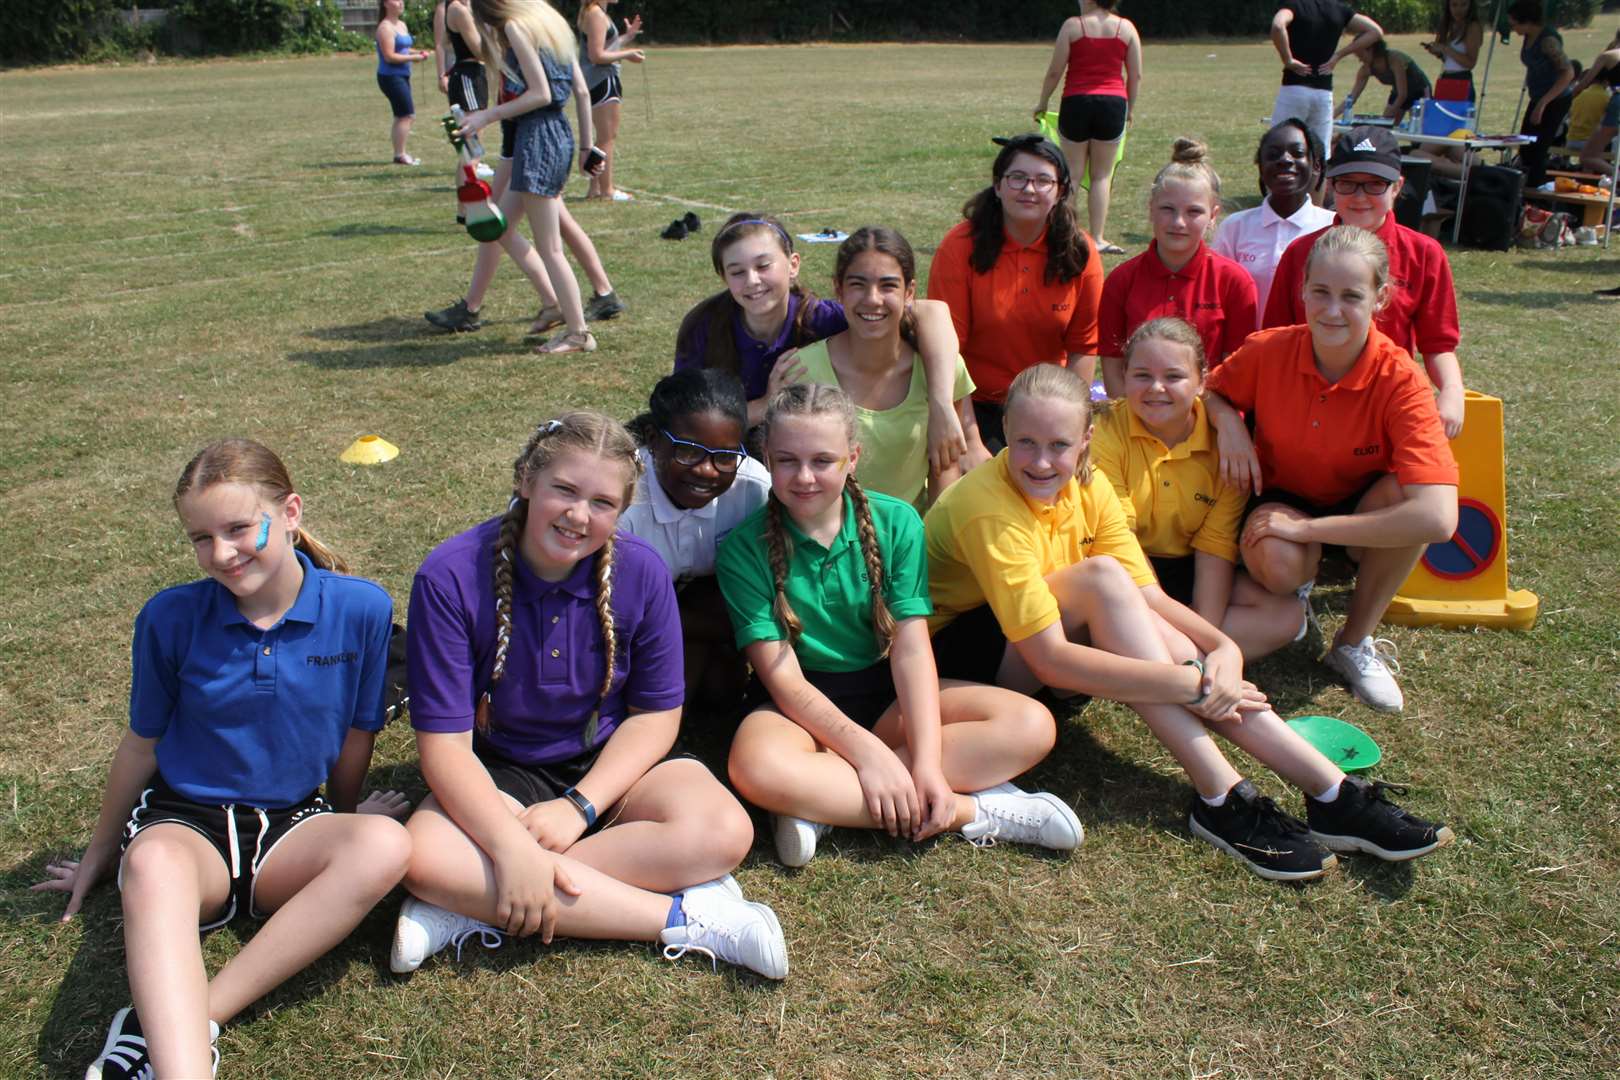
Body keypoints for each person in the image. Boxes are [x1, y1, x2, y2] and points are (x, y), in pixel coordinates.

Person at [923, 362, 1453, 881]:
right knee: (1104, 582)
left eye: (1059, 445)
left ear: (1085, 439)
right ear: (1004, 435)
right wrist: (1192, 683)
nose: (1041, 461)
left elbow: (1147, 593)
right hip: (973, 674)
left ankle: (1330, 790)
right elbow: (1050, 660)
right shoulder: (988, 507)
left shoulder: (1090, 484)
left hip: (1037, 649)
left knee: (1140, 611)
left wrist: (1221, 651)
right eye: (1025, 444)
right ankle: (1221, 794)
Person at [34, 439, 412, 1080]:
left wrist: (343, 819)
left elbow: (357, 734)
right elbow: (141, 743)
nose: (221, 554)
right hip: (188, 829)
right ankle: (183, 1066)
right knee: (151, 862)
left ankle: (183, 1020)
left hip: (293, 826)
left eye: (238, 528)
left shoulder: (362, 607)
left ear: (291, 512)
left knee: (385, 846)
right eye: (201, 539)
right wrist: (102, 850)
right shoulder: (170, 617)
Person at [391, 411, 788, 980]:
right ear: (526, 481)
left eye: (602, 502)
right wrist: (511, 845)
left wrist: (578, 808)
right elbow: (446, 749)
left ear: (623, 509)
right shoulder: (449, 576)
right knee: (423, 855)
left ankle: (476, 901)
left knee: (725, 829)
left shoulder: (642, 572)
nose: (579, 516)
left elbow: (655, 716)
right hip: (501, 774)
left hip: (609, 766)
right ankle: (688, 916)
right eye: (564, 491)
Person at [717, 384, 1081, 868]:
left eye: (822, 461)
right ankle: (970, 810)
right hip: (796, 712)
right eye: (786, 461)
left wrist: (926, 761)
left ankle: (821, 804)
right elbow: (782, 679)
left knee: (1031, 724)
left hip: (888, 694)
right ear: (766, 457)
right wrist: (869, 755)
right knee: (754, 765)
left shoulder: (898, 522)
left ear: (853, 457)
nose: (804, 477)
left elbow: (911, 651)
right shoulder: (743, 548)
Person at [1208, 226, 1460, 714]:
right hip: (1282, 494)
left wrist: (1313, 530)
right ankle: (1297, 587)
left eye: (1351, 295)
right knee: (1280, 564)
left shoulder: (1402, 378)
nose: (1331, 310)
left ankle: (1352, 640)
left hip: (1358, 507)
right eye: (1320, 292)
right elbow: (1212, 389)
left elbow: (1439, 519)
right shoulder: (1269, 349)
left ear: (1380, 297)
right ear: (1302, 289)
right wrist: (1228, 421)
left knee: (1410, 503)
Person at [673, 213, 970, 477]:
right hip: (722, 465)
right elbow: (681, 421)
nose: (753, 280)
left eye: (763, 265)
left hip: (800, 469)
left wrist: (942, 404)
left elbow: (933, 313)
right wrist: (762, 407)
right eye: (737, 271)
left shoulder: (823, 318)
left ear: (793, 265)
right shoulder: (704, 327)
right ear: (723, 276)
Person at [1092, 318, 1305, 662]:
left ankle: (1164, 654)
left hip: (1187, 567)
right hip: (1124, 570)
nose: (1156, 389)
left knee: (1286, 615)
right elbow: (1121, 541)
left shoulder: (1229, 446)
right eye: (1142, 375)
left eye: (1173, 376)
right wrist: (1184, 626)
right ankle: (1168, 654)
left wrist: (1203, 630)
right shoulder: (1104, 430)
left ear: (1202, 381)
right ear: (1123, 375)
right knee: (1108, 599)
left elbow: (1214, 550)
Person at [1265, 126, 1467, 438]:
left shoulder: (1425, 254)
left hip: (1387, 404)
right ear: (1331, 186)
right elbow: (1275, 340)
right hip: (1311, 406)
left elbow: (1438, 343)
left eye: (1375, 185)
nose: (1360, 197)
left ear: (1397, 187)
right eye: (1348, 184)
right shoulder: (1301, 253)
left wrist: (1452, 391)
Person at [927, 134, 1103, 451]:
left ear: (1061, 190)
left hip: (1044, 406)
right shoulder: (961, 246)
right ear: (998, 186)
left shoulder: (1080, 251)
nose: (1029, 189)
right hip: (974, 405)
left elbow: (1083, 347)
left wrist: (1072, 423)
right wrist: (971, 440)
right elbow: (947, 351)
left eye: (1043, 180)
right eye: (1017, 178)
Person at [793, 226, 988, 507]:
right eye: (858, 284)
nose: (872, 299)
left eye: (888, 286)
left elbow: (944, 471)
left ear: (909, 292)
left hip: (910, 538)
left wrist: (931, 546)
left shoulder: (940, 371)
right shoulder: (803, 371)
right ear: (838, 289)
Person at [454, 0, 604, 354]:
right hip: (551, 135)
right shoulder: (549, 23)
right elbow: (580, 91)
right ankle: (554, 306)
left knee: (551, 247)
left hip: (538, 138)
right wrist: (586, 147)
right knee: (500, 227)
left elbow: (542, 93)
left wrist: (486, 116)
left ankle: (579, 333)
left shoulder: (514, 28)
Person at [621, 369, 771, 711]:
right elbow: (617, 610)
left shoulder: (754, 489)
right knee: (672, 700)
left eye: (725, 456)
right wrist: (716, 628)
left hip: (704, 606)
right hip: (634, 619)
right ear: (652, 438)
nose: (707, 470)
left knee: (721, 694)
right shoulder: (621, 496)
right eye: (688, 451)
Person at [1097, 139, 1258, 398]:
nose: (1178, 222)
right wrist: (1131, 420)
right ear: (1151, 209)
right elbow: (1113, 365)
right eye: (1167, 209)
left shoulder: (1234, 281)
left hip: (1208, 418)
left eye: (1193, 211)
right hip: (1137, 417)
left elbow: (1236, 369)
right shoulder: (1121, 280)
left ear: (1213, 215)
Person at [1033, 0, 1142, 255]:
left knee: (1071, 172)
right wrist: (1131, 109)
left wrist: (1042, 102)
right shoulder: (1126, 29)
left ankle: (1066, 233)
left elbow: (1054, 71)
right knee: (1102, 175)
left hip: (1076, 102)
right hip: (1114, 104)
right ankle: (1098, 238)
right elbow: (1135, 75)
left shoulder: (1072, 26)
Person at [1212, 118, 1335, 313]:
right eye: (1273, 154)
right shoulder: (1234, 227)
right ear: (1260, 167)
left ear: (1316, 166)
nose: (1285, 160)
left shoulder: (1333, 227)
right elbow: (1217, 295)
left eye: (1298, 153)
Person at [1267, 1, 1382, 163]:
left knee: (1279, 149)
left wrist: (1288, 59)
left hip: (1294, 89)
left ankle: (1278, 189)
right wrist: (1339, 55)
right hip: (1323, 94)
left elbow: (1278, 26)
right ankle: (1317, 188)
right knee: (1320, 157)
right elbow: (1375, 31)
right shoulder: (1339, 9)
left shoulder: (1295, 5)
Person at [577, 0, 644, 201]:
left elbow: (605, 47)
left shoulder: (594, 12)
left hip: (600, 80)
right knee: (607, 137)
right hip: (602, 80)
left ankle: (595, 188)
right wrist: (628, 54)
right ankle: (607, 190)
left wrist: (627, 37)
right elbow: (596, 55)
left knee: (603, 138)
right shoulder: (596, 14)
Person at [1506, 0, 1574, 191]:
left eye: (1514, 24)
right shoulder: (1529, 37)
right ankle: (1526, 189)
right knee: (1526, 147)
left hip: (1554, 100)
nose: (1513, 29)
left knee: (1538, 149)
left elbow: (1567, 73)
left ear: (1527, 21)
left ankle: (1538, 193)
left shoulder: (1548, 41)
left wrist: (1544, 102)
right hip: (1537, 97)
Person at [377, 0, 434, 166]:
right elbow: (390, 56)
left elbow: (402, 48)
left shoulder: (401, 25)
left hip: (402, 75)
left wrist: (418, 52)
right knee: (407, 115)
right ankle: (400, 155)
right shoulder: (385, 28)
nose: (401, 3)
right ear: (385, 4)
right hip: (390, 77)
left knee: (401, 115)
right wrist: (414, 58)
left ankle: (398, 153)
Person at [1341, 39, 1432, 128]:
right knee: (1384, 128)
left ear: (1371, 50)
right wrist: (1332, 116)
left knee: (1418, 130)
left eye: (1360, 55)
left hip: (1419, 90)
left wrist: (1387, 117)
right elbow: (1351, 98)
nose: (1360, 60)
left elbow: (1402, 94)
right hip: (1398, 92)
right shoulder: (1365, 70)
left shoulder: (1394, 59)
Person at [1568, 38, 1620, 177]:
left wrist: (1567, 99)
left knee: (1588, 157)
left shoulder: (1608, 56)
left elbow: (1584, 83)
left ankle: (1617, 177)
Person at [1422, 0, 1485, 102]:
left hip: (1462, 81)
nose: (1458, 10)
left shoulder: (1473, 27)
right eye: (1454, 5)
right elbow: (1449, 59)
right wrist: (1437, 51)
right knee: (1441, 116)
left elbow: (1470, 63)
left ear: (1470, 5)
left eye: (1463, 4)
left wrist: (1445, 49)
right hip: (1445, 78)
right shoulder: (1449, 25)